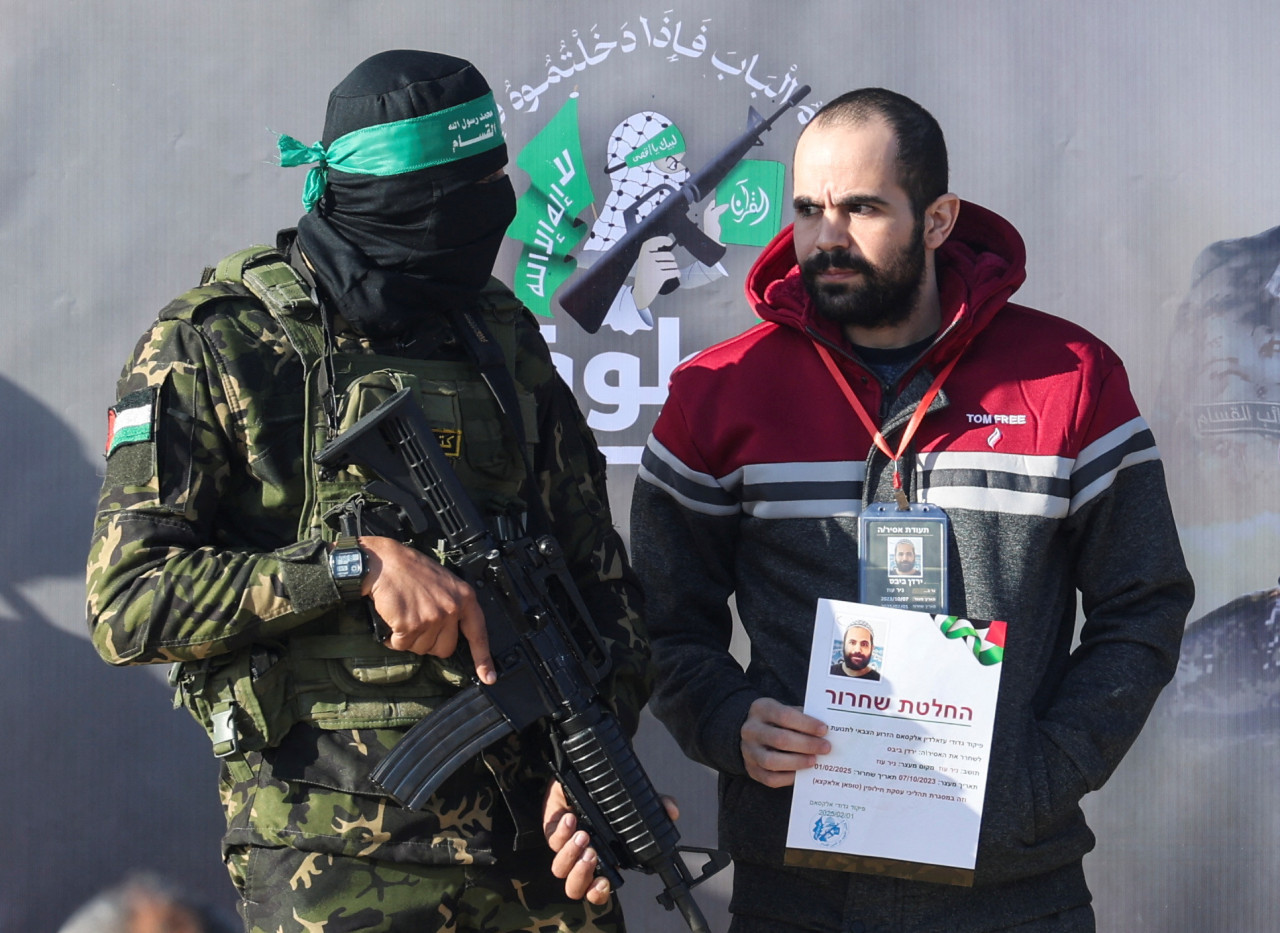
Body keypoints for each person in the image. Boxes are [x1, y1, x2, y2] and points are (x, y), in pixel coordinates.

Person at [86, 50, 650, 933]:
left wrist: (591, 767)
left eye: (486, 193)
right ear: (365, 198)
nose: (471, 229)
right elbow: (128, 602)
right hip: (330, 858)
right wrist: (356, 565)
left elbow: (604, 592)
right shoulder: (219, 343)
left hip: (535, 860)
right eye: (440, 209)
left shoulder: (499, 336)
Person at [631, 87, 1192, 931]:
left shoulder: (1070, 376)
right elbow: (662, 619)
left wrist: (1040, 773)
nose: (827, 236)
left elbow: (1142, 602)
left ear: (938, 218)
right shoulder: (721, 392)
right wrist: (727, 720)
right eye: (810, 208)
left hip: (1013, 886)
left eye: (862, 208)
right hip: (797, 886)